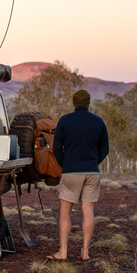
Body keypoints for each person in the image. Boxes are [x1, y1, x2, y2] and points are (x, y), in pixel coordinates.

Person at [48, 89, 109, 261]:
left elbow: (56, 147)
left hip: (71, 171)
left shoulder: (65, 120)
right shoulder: (98, 121)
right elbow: (105, 149)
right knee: (88, 210)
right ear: (88, 102)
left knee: (65, 211)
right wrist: (92, 163)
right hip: (91, 171)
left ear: (74, 102)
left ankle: (63, 252)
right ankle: (85, 252)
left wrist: (65, 164)